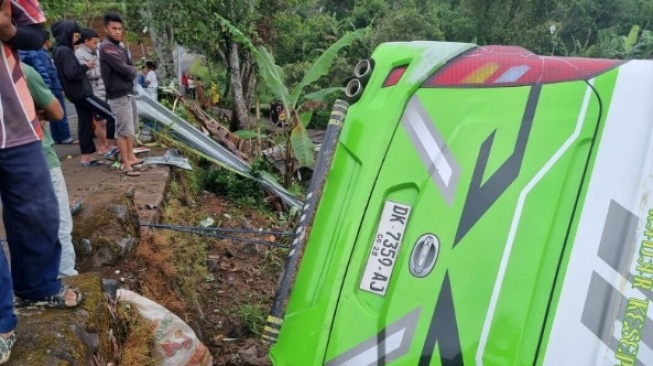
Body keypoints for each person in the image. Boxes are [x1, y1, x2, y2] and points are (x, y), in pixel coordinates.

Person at [0, 1, 83, 364]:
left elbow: (38, 35)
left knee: (38, 211)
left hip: (14, 119)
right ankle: (2, 322)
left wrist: (10, 33)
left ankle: (35, 285)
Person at [21, 62, 78, 278]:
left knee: (27, 224)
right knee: (59, 221)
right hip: (40, 154)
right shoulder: (23, 72)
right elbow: (57, 111)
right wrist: (39, 113)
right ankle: (65, 276)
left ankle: (38, 280)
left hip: (10, 164)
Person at [52, 20, 116, 166]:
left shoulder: (59, 50)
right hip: (83, 93)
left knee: (85, 123)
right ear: (67, 33)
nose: (77, 38)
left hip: (75, 94)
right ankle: (109, 147)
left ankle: (86, 157)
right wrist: (85, 66)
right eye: (75, 34)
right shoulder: (65, 51)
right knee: (111, 114)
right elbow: (72, 73)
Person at [99, 11, 141, 177]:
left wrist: (130, 70)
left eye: (120, 28)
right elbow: (124, 68)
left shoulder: (119, 47)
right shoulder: (107, 47)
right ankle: (125, 164)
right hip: (117, 94)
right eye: (114, 28)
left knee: (130, 129)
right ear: (106, 29)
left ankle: (131, 157)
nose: (118, 31)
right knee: (123, 131)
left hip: (127, 91)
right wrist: (131, 71)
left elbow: (129, 66)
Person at [18, 31, 76, 144]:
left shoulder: (37, 53)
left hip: (50, 87)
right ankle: (65, 136)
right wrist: (50, 89)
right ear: (46, 41)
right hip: (52, 88)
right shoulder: (41, 54)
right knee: (59, 113)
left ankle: (57, 137)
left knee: (52, 116)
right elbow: (46, 73)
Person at [75, 28, 114, 155]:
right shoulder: (80, 54)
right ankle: (103, 147)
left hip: (104, 88)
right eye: (94, 43)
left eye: (98, 43)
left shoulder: (94, 52)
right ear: (86, 41)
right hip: (94, 89)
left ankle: (107, 146)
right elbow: (87, 73)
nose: (97, 45)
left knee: (105, 119)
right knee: (100, 121)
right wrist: (102, 70)